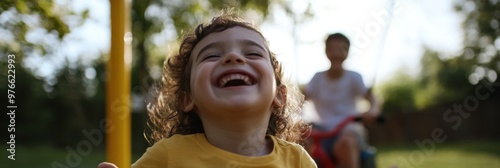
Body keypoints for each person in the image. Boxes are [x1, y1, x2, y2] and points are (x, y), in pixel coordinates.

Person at [99, 12, 316, 168]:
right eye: (212, 56)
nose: (234, 57)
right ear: (187, 99)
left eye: (252, 53)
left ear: (279, 95)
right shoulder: (168, 156)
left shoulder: (297, 161)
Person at [304, 33, 380, 168]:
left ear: (347, 52)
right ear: (326, 52)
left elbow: (372, 98)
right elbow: (300, 99)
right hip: (320, 130)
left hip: (347, 128)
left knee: (346, 143)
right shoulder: (317, 79)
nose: (336, 54)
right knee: (300, 142)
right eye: (332, 49)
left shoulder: (354, 77)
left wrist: (373, 110)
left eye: (341, 49)